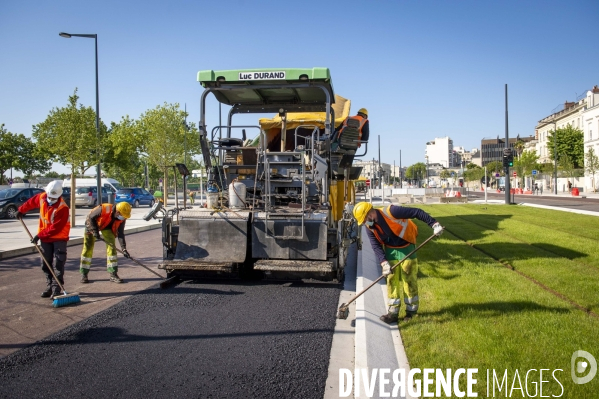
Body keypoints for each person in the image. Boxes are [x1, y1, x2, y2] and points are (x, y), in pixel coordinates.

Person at [353, 202, 444, 324]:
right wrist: (384, 262)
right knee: (391, 279)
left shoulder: (391, 211)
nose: (364, 223)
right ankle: (393, 313)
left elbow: (417, 212)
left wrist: (434, 224)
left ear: (370, 214)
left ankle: (411, 312)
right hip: (390, 248)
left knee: (408, 278)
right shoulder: (369, 227)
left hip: (406, 245)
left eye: (364, 220)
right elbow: (376, 246)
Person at [17, 181, 71, 299]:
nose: (51, 199)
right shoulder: (42, 197)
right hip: (45, 237)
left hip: (59, 237)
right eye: (49, 196)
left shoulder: (63, 208)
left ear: (59, 196)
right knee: (45, 263)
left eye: (54, 197)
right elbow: (31, 203)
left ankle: (57, 288)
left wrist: (39, 236)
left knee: (58, 263)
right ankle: (49, 286)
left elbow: (56, 228)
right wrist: (21, 210)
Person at [79, 202, 132, 283]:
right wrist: (95, 232)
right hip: (91, 224)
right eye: (122, 215)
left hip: (107, 227)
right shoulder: (104, 209)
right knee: (88, 248)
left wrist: (124, 248)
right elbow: (91, 217)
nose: (123, 218)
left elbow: (120, 233)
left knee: (112, 247)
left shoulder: (122, 218)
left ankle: (113, 274)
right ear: (117, 212)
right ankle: (84, 274)